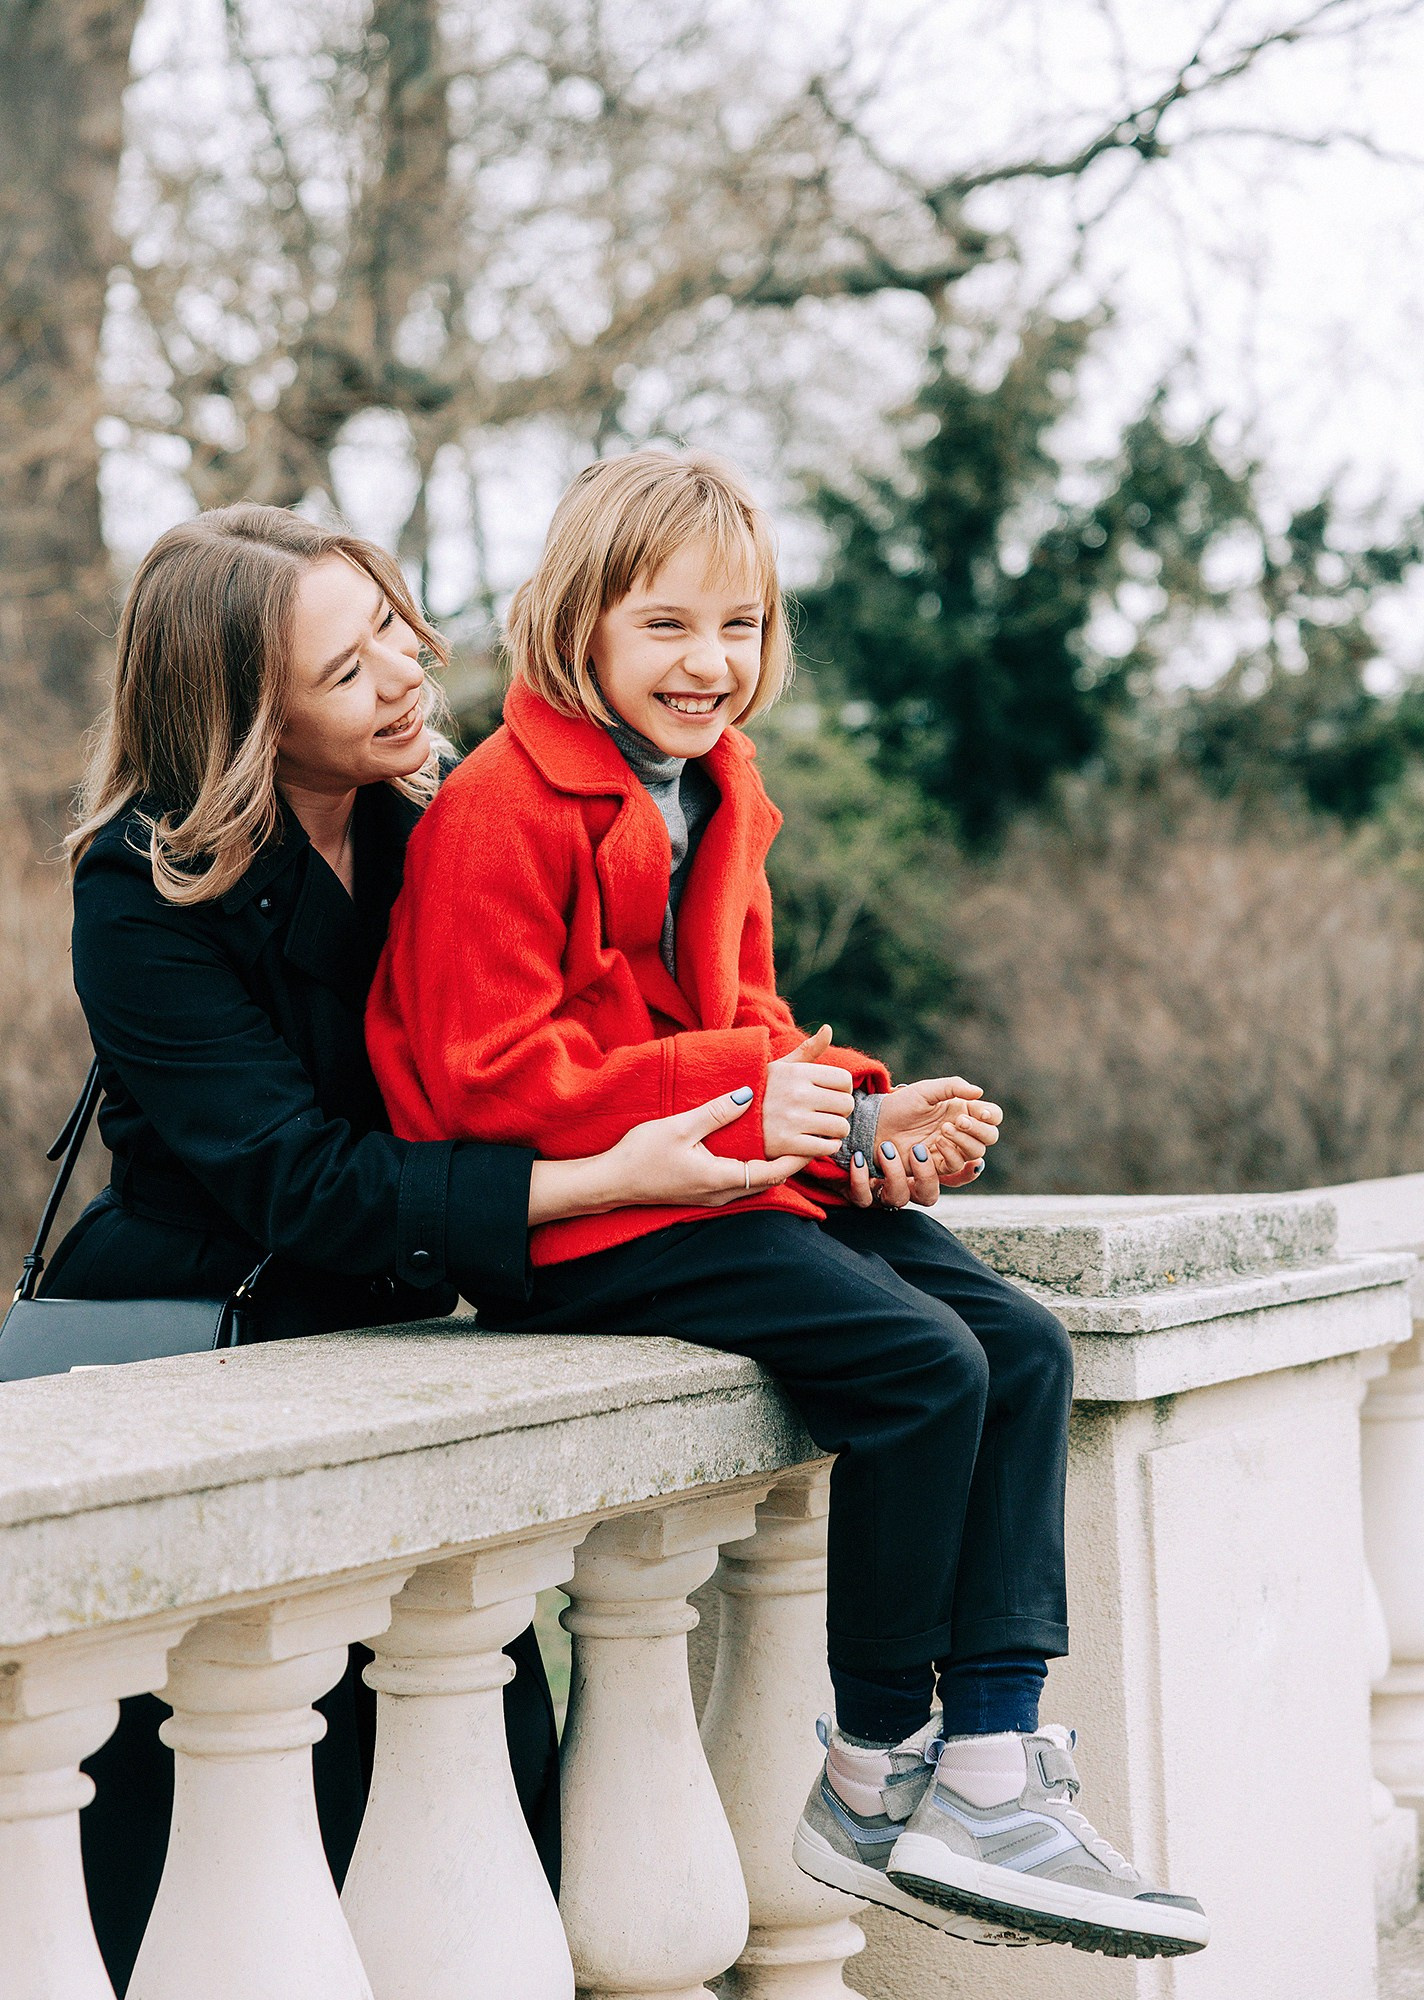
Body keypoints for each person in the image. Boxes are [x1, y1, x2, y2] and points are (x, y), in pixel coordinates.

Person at [366, 450, 1210, 1960]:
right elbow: (490, 1078)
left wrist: (854, 1113)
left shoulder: (719, 787)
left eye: (740, 628)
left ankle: (998, 1763)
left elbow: (742, 1010)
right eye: (669, 627)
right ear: (581, 625)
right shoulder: (501, 805)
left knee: (1018, 1345)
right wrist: (753, 1095)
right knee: (917, 1366)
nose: (711, 665)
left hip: (720, 1175)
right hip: (584, 1220)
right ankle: (877, 1761)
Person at [47, 501, 796, 1991]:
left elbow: (582, 1039)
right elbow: (298, 1181)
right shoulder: (140, 888)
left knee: (476, 1800)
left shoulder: (437, 822)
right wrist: (592, 1179)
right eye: (347, 670)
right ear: (244, 718)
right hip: (201, 1348)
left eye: (395, 629)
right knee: (215, 1852)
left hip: (406, 1354)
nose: (403, 677)